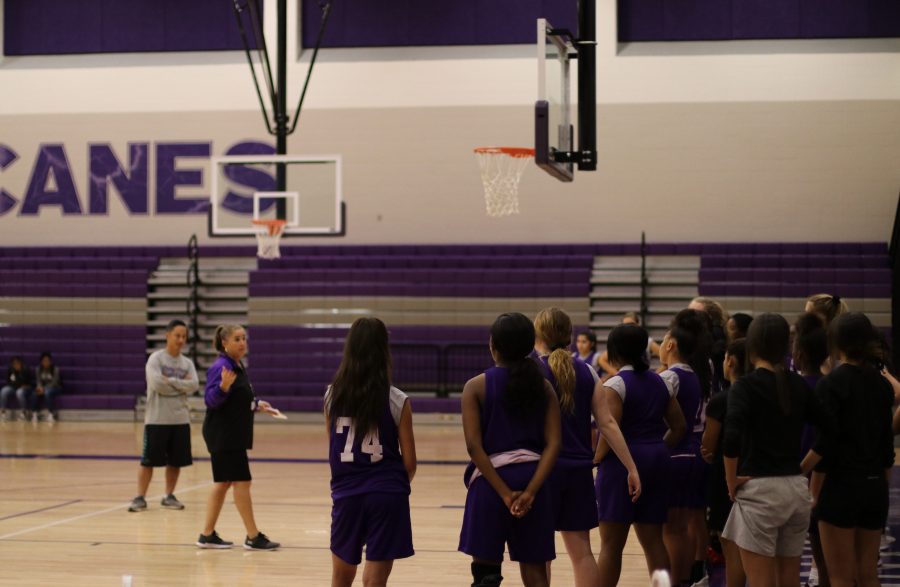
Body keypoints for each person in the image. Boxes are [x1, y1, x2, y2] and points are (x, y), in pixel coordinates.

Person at [533, 308, 641, 587]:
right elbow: (607, 423)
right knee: (582, 553)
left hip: (542, 472)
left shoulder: (533, 371)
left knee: (539, 555)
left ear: (538, 335)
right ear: (569, 335)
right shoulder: (588, 371)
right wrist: (631, 467)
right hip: (579, 471)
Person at [722, 313, 829, 586]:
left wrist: (730, 480)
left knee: (761, 581)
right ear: (786, 346)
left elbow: (731, 438)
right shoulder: (798, 384)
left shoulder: (745, 386)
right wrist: (802, 468)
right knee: (789, 580)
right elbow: (831, 432)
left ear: (751, 345)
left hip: (760, 492)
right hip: (794, 490)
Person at [458, 313, 562, 587]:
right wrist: (530, 492)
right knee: (535, 568)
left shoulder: (475, 386)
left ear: (493, 345)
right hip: (534, 479)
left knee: (486, 574)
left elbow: (473, 446)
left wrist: (505, 494)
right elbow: (554, 444)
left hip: (490, 484)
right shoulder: (544, 386)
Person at [804, 313, 894, 587]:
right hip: (875, 486)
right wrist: (880, 486)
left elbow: (825, 446)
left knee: (840, 576)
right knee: (868, 573)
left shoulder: (831, 384)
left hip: (840, 487)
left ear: (836, 343)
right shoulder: (882, 384)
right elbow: (886, 447)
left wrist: (807, 484)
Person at [326, 317, 417, 587]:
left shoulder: (331, 396)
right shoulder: (398, 400)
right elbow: (410, 464)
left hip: (347, 494)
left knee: (341, 578)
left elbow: (333, 450)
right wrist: (388, 487)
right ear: (383, 350)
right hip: (387, 495)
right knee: (375, 582)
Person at [595, 323, 686, 585]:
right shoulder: (661, 381)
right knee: (654, 541)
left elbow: (609, 430)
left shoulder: (614, 384)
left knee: (611, 545)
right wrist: (656, 450)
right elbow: (678, 427)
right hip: (657, 458)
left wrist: (595, 459)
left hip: (621, 464)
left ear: (614, 352)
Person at [197, 324, 281, 550]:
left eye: (244, 338)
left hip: (231, 434)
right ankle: (253, 537)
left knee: (223, 483)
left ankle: (207, 535)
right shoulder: (221, 366)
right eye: (237, 339)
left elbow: (238, 400)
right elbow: (211, 401)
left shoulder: (236, 365)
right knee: (241, 482)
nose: (242, 343)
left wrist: (257, 405)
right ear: (225, 343)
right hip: (223, 435)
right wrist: (222, 388)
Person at [658, 310, 713, 586]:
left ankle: (676, 581)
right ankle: (687, 578)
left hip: (676, 453)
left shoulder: (670, 377)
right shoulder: (693, 372)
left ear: (670, 344)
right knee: (682, 527)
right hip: (692, 451)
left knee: (671, 531)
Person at [128, 320, 199, 513]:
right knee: (148, 461)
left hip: (180, 419)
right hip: (157, 419)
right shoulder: (156, 359)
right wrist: (180, 385)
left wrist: (172, 382)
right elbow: (157, 384)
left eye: (184, 336)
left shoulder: (187, 363)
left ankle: (169, 495)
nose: (181, 340)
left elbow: (194, 385)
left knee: (176, 461)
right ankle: (140, 497)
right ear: (167, 335)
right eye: (177, 335)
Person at [701, 338, 747, 587]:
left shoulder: (721, 400)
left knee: (732, 549)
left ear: (730, 362)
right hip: (760, 473)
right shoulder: (768, 395)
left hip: (726, 479)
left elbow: (708, 447)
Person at [793, 313, 830, 587]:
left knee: (803, 549)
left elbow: (822, 439)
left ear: (800, 352)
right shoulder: (828, 385)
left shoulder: (796, 387)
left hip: (802, 473)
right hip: (817, 472)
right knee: (820, 548)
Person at [598, 312, 660, 377]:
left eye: (631, 324)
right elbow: (602, 359)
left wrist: (656, 374)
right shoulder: (620, 341)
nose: (628, 328)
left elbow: (665, 359)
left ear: (638, 324)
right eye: (625, 325)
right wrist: (616, 374)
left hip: (642, 375)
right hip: (626, 376)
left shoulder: (647, 340)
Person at [1, 356, 35, 422]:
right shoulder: (10, 370)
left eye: (17, 363)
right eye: (14, 363)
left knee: (19, 392)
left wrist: (19, 375)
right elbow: (9, 381)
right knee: (4, 391)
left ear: (21, 363)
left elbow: (28, 383)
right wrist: (16, 384)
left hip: (24, 389)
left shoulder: (25, 370)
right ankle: (3, 413)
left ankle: (24, 413)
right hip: (13, 387)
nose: (16, 365)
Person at [32, 352, 63, 423]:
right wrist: (39, 387)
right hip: (43, 388)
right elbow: (38, 381)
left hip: (56, 387)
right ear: (41, 362)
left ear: (50, 361)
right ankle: (35, 413)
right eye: (44, 361)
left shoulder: (55, 369)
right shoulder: (38, 369)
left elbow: (54, 382)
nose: (46, 362)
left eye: (47, 361)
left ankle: (51, 413)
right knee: (35, 393)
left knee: (47, 393)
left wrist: (44, 388)